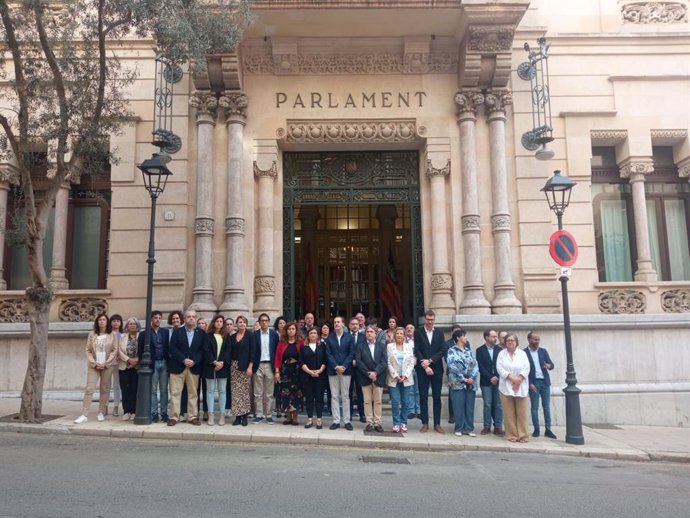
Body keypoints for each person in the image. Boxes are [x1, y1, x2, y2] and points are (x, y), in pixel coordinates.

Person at [74, 313, 117, 424]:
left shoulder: (112, 334)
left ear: (107, 322)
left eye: (104, 319)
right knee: (89, 389)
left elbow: (114, 350)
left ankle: (101, 412)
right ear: (97, 322)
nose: (102, 321)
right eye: (99, 320)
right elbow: (88, 350)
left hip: (107, 366)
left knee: (104, 389)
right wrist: (94, 362)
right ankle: (84, 414)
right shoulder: (92, 335)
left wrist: (106, 363)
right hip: (94, 365)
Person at [167, 310, 205, 427]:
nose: (191, 319)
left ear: (195, 318)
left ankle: (192, 416)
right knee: (175, 393)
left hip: (194, 367)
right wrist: (183, 360)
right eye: (189, 317)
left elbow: (203, 350)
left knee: (193, 393)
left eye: (193, 317)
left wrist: (194, 361)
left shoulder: (201, 333)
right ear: (184, 318)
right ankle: (174, 417)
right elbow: (172, 348)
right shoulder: (177, 332)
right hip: (178, 366)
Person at [413, 309, 447, 433]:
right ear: (424, 319)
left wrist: (431, 361)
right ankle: (425, 423)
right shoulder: (418, 332)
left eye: (432, 320)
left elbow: (443, 349)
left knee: (437, 397)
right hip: (422, 369)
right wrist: (424, 363)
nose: (430, 322)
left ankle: (437, 424)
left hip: (437, 369)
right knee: (423, 397)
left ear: (434, 320)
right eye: (428, 319)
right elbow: (417, 349)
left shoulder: (439, 332)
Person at [496, 333, 531, 443]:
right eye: (508, 340)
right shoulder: (501, 354)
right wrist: (512, 378)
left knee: (522, 413)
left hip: (521, 386)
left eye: (512, 340)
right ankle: (511, 434)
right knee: (508, 413)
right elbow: (500, 368)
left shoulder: (522, 354)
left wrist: (519, 380)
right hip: (506, 386)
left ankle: (523, 435)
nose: (510, 342)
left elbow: (526, 367)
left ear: (516, 342)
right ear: (505, 343)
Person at [138, 310, 170, 423]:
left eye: (159, 318)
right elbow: (140, 351)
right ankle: (154, 412)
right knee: (153, 390)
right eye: (155, 318)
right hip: (153, 363)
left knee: (164, 390)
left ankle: (164, 412)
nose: (157, 320)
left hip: (164, 363)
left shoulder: (166, 332)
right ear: (151, 319)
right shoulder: (144, 334)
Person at [447, 328, 479, 437]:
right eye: (464, 336)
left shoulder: (469, 351)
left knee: (469, 406)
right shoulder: (451, 350)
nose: (466, 338)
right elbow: (452, 366)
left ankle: (469, 428)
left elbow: (475, 365)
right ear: (458, 338)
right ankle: (459, 427)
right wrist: (463, 379)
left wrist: (472, 377)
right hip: (458, 383)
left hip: (470, 383)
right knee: (458, 405)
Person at [524, 331, 556, 439]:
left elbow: (552, 365)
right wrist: (529, 383)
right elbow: (523, 370)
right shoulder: (524, 353)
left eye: (538, 340)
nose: (537, 342)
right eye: (535, 339)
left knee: (546, 407)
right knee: (534, 407)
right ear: (529, 340)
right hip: (534, 383)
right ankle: (536, 429)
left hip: (545, 382)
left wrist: (549, 366)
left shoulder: (543, 351)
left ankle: (548, 429)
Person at [325, 315, 355, 430]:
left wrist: (344, 366)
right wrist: (336, 366)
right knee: (334, 396)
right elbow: (328, 354)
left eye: (338, 322)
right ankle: (336, 420)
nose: (336, 324)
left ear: (343, 324)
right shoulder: (330, 338)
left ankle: (347, 420)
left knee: (346, 396)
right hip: (333, 371)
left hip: (346, 371)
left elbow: (351, 353)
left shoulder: (349, 337)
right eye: (334, 322)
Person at [355, 324, 387, 432]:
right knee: (367, 401)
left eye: (371, 332)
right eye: (367, 332)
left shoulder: (382, 346)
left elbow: (384, 361)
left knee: (378, 401)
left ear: (375, 334)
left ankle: (377, 422)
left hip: (378, 377)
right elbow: (358, 361)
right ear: (365, 334)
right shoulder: (360, 346)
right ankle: (369, 422)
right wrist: (368, 373)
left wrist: (376, 372)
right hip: (365, 377)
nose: (369, 333)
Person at [387, 326, 416, 433]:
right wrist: (395, 375)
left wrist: (405, 375)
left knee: (406, 402)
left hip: (406, 379)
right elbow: (388, 362)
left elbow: (411, 362)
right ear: (394, 335)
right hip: (394, 378)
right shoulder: (390, 346)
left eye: (401, 333)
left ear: (404, 336)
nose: (399, 335)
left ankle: (403, 423)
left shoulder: (408, 347)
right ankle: (396, 423)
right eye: (397, 333)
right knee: (395, 401)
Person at [203, 315, 230, 426]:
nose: (219, 323)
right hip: (210, 366)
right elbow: (206, 350)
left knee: (222, 391)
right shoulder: (207, 336)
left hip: (223, 367)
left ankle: (222, 415)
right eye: (217, 321)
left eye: (221, 321)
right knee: (210, 391)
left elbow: (228, 351)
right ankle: (211, 415)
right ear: (214, 323)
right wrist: (214, 362)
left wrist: (222, 362)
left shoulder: (226, 336)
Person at [476, 329, 504, 436]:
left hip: (498, 381)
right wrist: (490, 377)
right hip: (486, 382)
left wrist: (496, 376)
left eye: (496, 336)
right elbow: (480, 366)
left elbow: (502, 365)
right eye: (493, 336)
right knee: (487, 404)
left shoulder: (500, 350)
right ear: (487, 337)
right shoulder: (480, 350)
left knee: (498, 404)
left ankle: (498, 427)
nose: (495, 338)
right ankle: (486, 426)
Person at [252, 313, 279, 424]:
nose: (264, 322)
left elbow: (276, 352)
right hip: (258, 365)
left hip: (270, 365)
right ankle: (259, 414)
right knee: (257, 393)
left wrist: (277, 369)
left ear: (269, 322)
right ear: (259, 322)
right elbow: (252, 351)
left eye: (266, 320)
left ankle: (268, 415)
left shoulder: (274, 335)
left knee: (269, 393)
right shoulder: (254, 335)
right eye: (262, 320)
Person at [275, 321, 303, 425]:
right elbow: (277, 357)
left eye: (293, 329)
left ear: (296, 331)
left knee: (295, 395)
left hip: (296, 372)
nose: (291, 331)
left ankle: (295, 417)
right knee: (285, 394)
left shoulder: (301, 342)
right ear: (286, 331)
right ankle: (288, 417)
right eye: (289, 329)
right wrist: (277, 371)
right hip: (285, 372)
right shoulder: (282, 343)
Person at [299, 327, 327, 429]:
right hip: (307, 376)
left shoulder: (322, 345)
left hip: (320, 376)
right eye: (311, 333)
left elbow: (325, 360)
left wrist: (319, 371)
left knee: (319, 398)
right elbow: (301, 361)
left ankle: (319, 419)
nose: (313, 335)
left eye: (315, 333)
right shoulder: (303, 346)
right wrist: (310, 371)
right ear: (308, 335)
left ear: (318, 335)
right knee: (309, 398)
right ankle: (309, 419)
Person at [229, 315, 254, 426]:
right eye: (240, 322)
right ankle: (237, 416)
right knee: (235, 392)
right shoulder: (232, 336)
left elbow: (253, 352)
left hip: (245, 366)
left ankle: (244, 416)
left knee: (244, 392)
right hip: (234, 366)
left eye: (244, 322)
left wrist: (250, 367)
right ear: (237, 324)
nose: (242, 324)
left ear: (246, 324)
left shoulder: (250, 336)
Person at [117, 317, 140, 420]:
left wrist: (137, 359)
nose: (132, 325)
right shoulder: (121, 336)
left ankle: (134, 410)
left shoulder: (141, 336)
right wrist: (128, 359)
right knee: (125, 389)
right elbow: (118, 350)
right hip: (124, 366)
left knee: (135, 389)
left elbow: (144, 348)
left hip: (137, 367)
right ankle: (126, 411)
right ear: (127, 326)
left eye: (134, 324)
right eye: (130, 324)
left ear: (137, 325)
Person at [348, 317, 366, 423]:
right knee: (348, 392)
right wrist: (351, 360)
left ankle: (362, 414)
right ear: (349, 325)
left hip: (360, 368)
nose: (355, 326)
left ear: (359, 325)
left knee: (360, 392)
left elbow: (364, 351)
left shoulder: (363, 337)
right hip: (349, 367)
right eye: (353, 324)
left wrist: (357, 361)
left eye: (356, 324)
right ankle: (348, 414)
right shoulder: (346, 336)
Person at [108, 314, 123, 417]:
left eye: (118, 321)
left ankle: (116, 406)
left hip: (118, 362)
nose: (116, 323)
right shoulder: (107, 334)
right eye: (114, 321)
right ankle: (104, 406)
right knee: (106, 385)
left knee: (117, 386)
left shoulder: (121, 335)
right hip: (108, 362)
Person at [404, 323, 421, 419]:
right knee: (410, 390)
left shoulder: (418, 340)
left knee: (418, 390)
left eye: (411, 328)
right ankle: (411, 410)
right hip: (407, 368)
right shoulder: (403, 341)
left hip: (418, 367)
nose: (409, 329)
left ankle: (418, 411)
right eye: (407, 328)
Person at [273, 316, 287, 417]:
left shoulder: (289, 334)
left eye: (283, 323)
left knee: (285, 388)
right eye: (280, 323)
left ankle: (285, 408)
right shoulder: (274, 335)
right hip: (276, 364)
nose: (282, 325)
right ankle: (278, 408)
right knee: (277, 387)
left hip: (287, 365)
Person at [223, 317, 235, 416]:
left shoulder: (236, 336)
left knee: (233, 387)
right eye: (227, 324)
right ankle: (227, 406)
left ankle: (233, 407)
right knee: (226, 386)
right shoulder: (223, 336)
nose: (229, 326)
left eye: (231, 324)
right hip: (225, 365)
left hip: (235, 365)